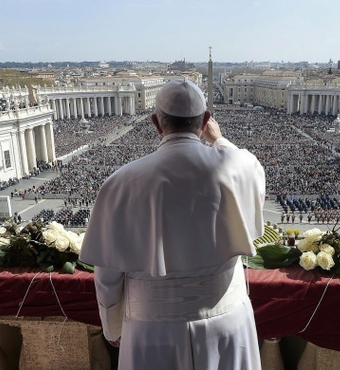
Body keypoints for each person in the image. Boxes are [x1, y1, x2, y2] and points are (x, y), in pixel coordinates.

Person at [80, 79, 265, 369]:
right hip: (227, 320)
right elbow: (245, 162)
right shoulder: (239, 166)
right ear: (205, 121)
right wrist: (218, 139)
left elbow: (108, 275)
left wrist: (113, 326)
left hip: (152, 328)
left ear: (156, 122)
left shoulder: (121, 182)